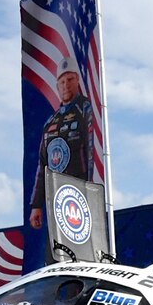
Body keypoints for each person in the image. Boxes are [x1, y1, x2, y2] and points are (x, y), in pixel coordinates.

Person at [28, 56, 94, 230]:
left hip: (80, 193)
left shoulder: (85, 108)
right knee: (57, 251)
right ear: (57, 85)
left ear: (77, 80)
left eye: (70, 80)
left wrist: (91, 190)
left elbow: (91, 152)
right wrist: (36, 205)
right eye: (62, 81)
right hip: (56, 197)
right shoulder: (51, 121)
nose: (66, 85)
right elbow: (43, 167)